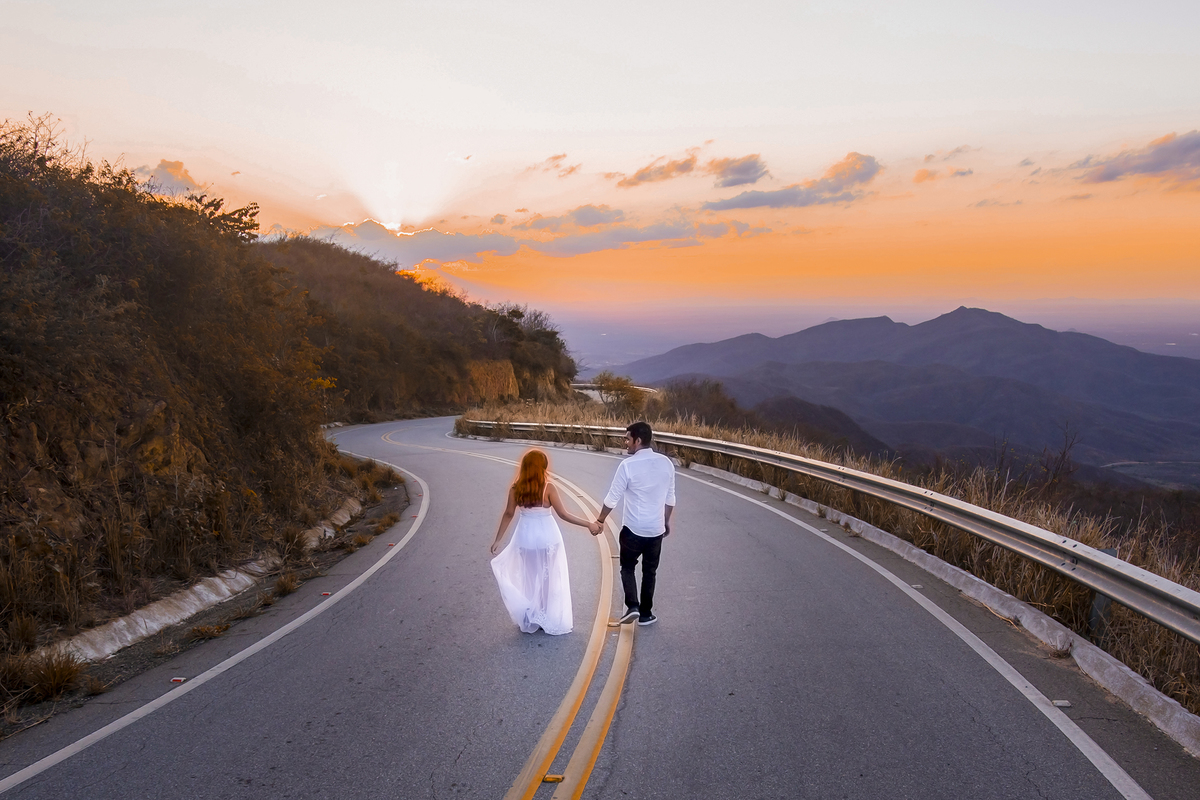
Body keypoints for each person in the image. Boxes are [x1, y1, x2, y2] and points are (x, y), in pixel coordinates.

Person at [490, 449, 601, 635]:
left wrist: (498, 540)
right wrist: (588, 524)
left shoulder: (516, 488)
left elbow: (508, 513)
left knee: (529, 578)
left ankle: (531, 616)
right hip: (547, 537)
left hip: (525, 537)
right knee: (547, 579)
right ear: (543, 467)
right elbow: (564, 514)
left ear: (524, 467)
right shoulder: (548, 488)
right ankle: (544, 616)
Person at [594, 421, 676, 627]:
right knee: (650, 571)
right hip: (656, 530)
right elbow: (670, 499)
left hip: (633, 530)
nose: (625, 443)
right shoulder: (666, 463)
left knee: (627, 567)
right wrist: (666, 522)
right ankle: (646, 614)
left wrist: (600, 520)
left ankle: (632, 606)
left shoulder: (627, 466)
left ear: (638, 440)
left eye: (627, 439)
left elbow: (612, 499)